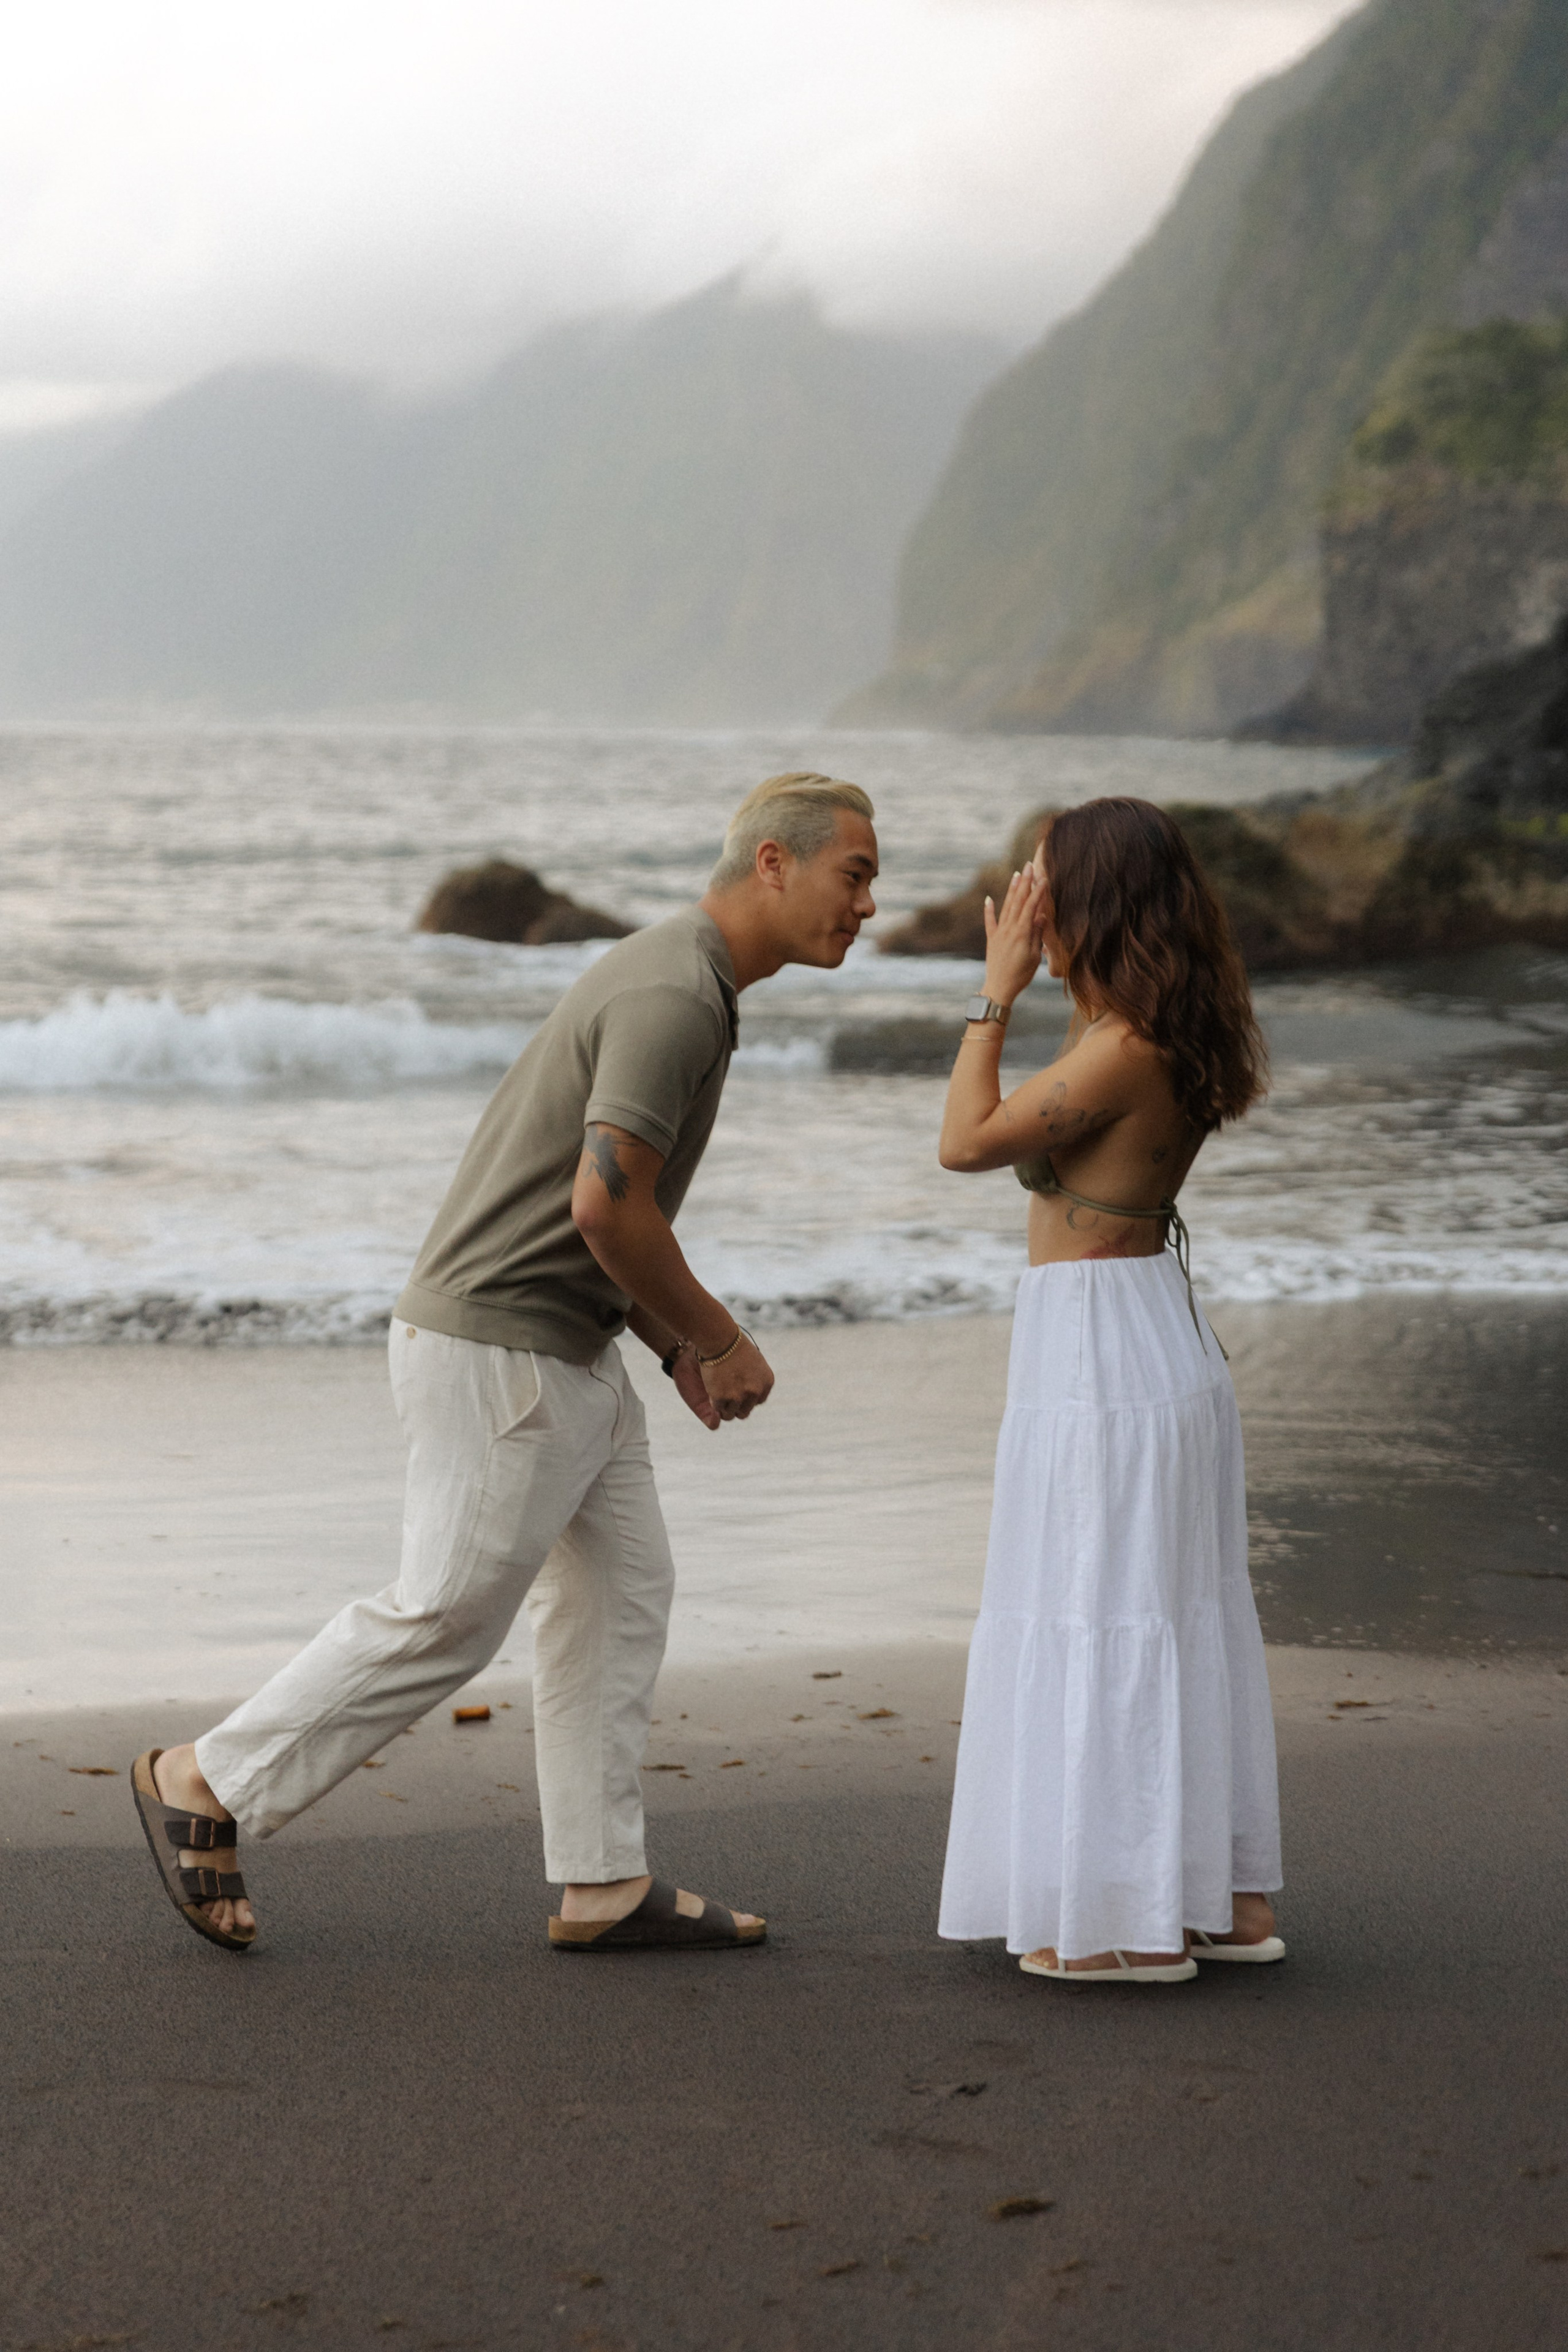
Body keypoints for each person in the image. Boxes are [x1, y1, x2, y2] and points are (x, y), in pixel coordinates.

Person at [130, 772, 878, 1956]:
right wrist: (721, 1339)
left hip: (558, 1342)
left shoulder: (690, 980)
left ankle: (603, 1880)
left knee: (620, 1594)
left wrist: (668, 1340)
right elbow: (604, 1206)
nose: (871, 905)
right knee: (445, 1616)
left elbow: (583, 1209)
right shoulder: (677, 990)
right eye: (856, 873)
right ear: (774, 864)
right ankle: (206, 1779)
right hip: (501, 1346)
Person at [935, 796, 1283, 1985]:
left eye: (1041, 884)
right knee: (1169, 1609)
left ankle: (1120, 1928)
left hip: (1098, 1354)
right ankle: (1216, 1900)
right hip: (1143, 1339)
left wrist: (995, 985)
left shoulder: (1122, 1043)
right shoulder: (1164, 1025)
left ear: (1090, 903)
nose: (1024, 900)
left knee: (1099, 1611)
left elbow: (964, 1139)